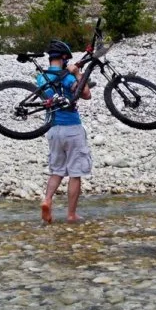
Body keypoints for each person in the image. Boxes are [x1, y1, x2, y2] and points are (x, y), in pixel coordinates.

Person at [38, 40, 93, 224]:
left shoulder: (41, 77)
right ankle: (71, 214)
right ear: (63, 58)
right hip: (72, 127)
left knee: (57, 170)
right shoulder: (68, 77)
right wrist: (78, 74)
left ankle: (47, 200)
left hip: (53, 129)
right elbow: (85, 94)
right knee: (75, 173)